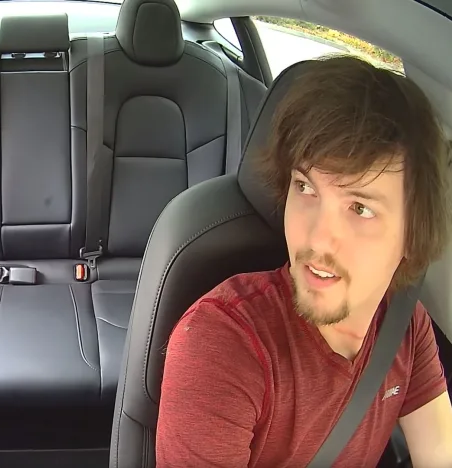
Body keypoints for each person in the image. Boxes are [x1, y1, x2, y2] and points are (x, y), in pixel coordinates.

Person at [155, 55, 452, 467]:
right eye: (305, 187)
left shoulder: (406, 324)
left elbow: (440, 451)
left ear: (412, 234)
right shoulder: (222, 344)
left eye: (360, 208)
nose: (316, 238)